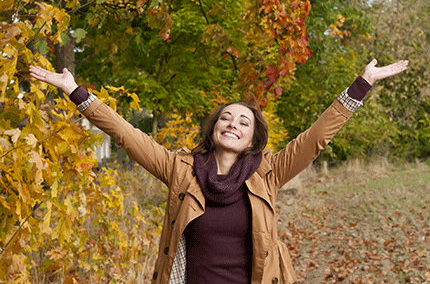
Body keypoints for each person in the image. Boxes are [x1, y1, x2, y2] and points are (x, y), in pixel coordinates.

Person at [29, 58, 408, 284]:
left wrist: (361, 85)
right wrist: (76, 92)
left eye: (243, 122)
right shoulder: (181, 169)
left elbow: (316, 138)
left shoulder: (269, 171)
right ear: (213, 128)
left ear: (252, 138)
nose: (232, 123)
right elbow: (127, 135)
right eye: (225, 117)